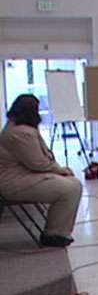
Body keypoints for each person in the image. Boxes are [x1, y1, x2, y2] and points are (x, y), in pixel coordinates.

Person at [0, 94, 83, 247]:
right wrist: (61, 170)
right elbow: (38, 163)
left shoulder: (16, 128)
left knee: (73, 184)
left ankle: (57, 231)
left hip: (20, 177)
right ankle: (54, 233)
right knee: (69, 189)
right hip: (14, 182)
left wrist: (59, 171)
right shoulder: (21, 132)